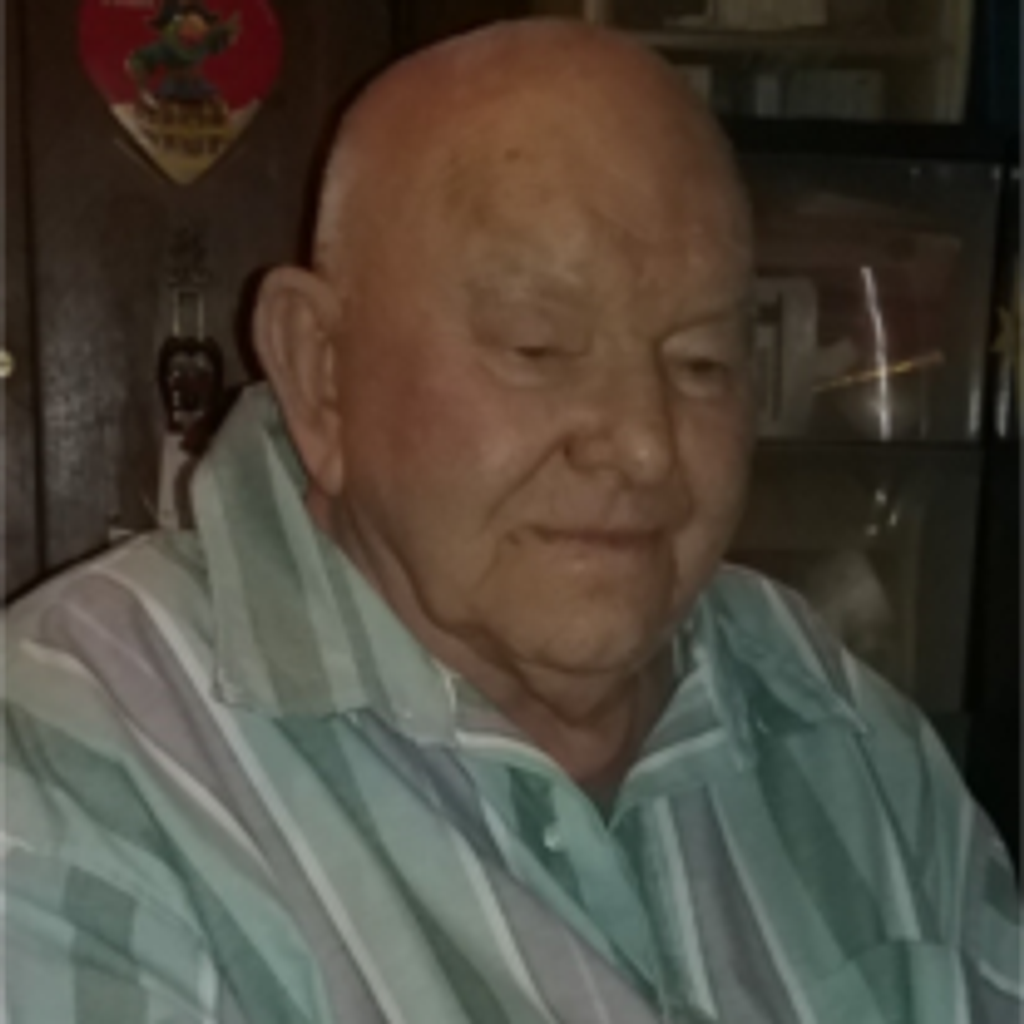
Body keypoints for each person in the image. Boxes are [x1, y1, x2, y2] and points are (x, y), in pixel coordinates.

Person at [1, 18, 1021, 1024]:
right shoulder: (70, 768)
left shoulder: (839, 724)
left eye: (703, 361)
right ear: (320, 373)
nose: (644, 445)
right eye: (538, 347)